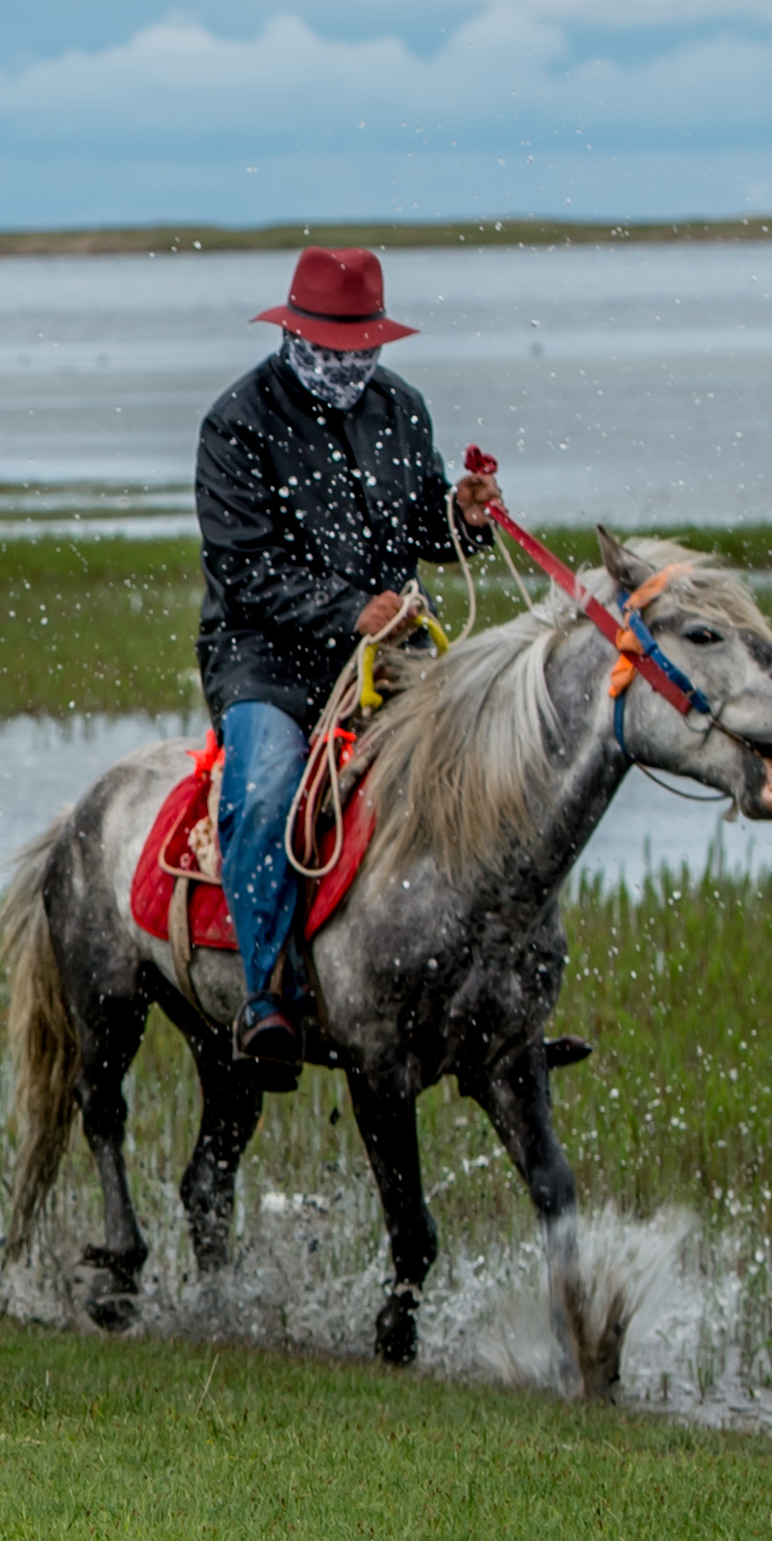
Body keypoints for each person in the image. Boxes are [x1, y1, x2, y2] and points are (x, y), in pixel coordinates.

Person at [195, 246, 503, 1076]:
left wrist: (464, 518)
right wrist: (348, 609)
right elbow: (243, 570)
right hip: (265, 658)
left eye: (363, 345)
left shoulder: (400, 406)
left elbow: (422, 528)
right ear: (293, 334)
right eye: (334, 346)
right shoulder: (236, 421)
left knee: (482, 772)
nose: (349, 362)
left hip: (389, 650)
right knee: (264, 791)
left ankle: (490, 990)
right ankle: (267, 995)